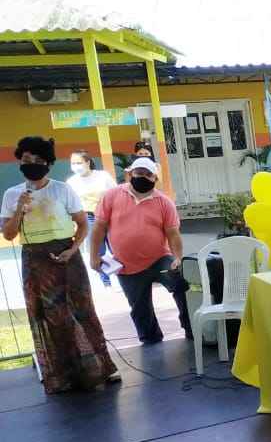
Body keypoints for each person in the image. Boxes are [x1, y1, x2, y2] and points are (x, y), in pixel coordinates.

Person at [1, 136, 119, 391]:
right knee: (49, 316)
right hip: (35, 261)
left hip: (67, 256)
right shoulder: (12, 195)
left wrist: (72, 249)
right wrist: (20, 208)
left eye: (37, 160)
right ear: (19, 162)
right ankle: (63, 375)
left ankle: (100, 368)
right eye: (26, 160)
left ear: (48, 163)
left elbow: (82, 223)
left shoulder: (62, 190)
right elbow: (9, 234)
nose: (31, 164)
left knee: (81, 310)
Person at [90, 157, 192, 345]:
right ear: (130, 174)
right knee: (139, 307)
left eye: (148, 174)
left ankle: (191, 328)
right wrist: (94, 255)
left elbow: (173, 233)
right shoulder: (111, 196)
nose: (143, 177)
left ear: (155, 179)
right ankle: (151, 341)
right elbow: (98, 227)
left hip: (159, 258)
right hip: (126, 263)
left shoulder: (164, 202)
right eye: (139, 173)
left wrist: (177, 257)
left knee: (181, 285)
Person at [66, 148, 117, 287]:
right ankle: (106, 282)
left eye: (78, 162)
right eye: (73, 163)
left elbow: (116, 194)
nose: (75, 166)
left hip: (110, 216)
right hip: (90, 217)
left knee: (116, 248)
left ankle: (125, 277)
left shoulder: (103, 176)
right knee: (98, 251)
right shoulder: (72, 182)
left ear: (87, 162)